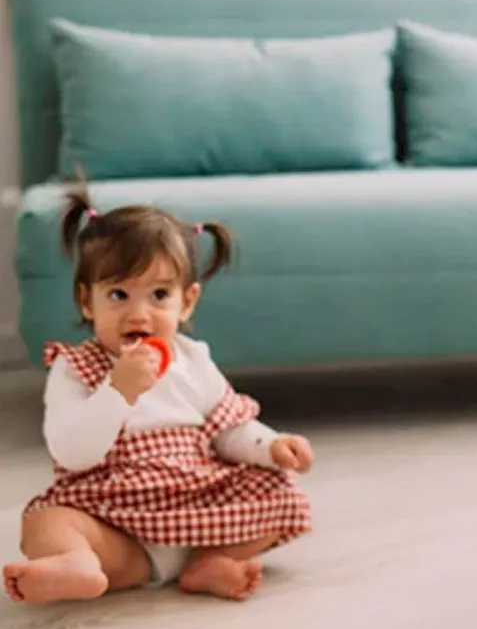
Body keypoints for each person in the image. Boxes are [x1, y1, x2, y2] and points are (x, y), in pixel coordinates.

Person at [3, 187, 314, 605]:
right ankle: (80, 563)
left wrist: (271, 446)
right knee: (45, 522)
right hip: (117, 524)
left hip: (196, 511)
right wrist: (118, 390)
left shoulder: (193, 359)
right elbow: (72, 454)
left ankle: (206, 561)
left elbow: (230, 430)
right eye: (119, 295)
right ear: (86, 301)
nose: (139, 314)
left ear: (187, 302)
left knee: (283, 492)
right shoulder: (74, 367)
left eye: (160, 295)